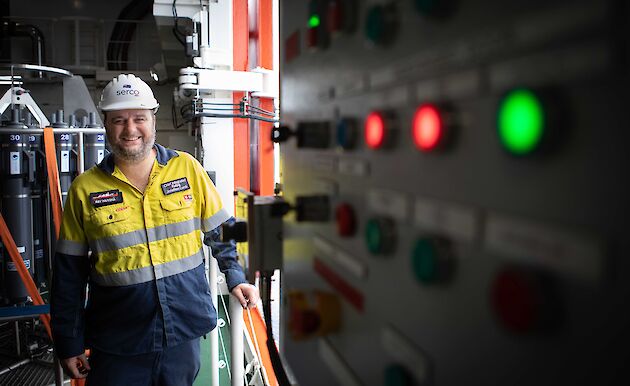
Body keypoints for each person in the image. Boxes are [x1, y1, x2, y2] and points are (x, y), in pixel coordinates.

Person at [50, 73, 259, 385]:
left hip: (182, 333)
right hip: (119, 343)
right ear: (106, 123)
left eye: (139, 118)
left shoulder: (187, 168)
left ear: (153, 120)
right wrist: (69, 342)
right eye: (119, 119)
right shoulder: (85, 189)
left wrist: (236, 277)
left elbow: (221, 230)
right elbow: (68, 275)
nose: (130, 129)